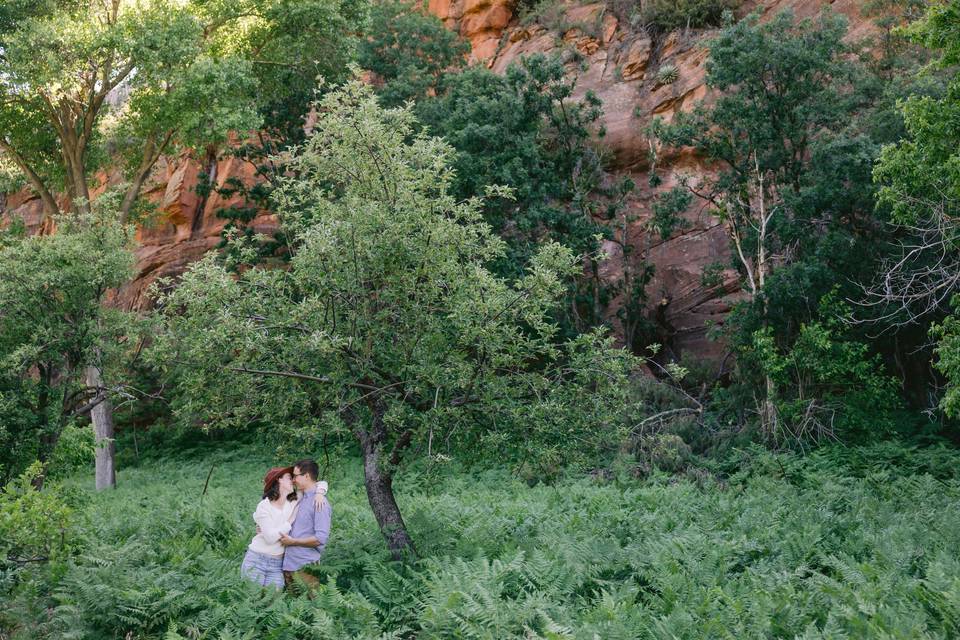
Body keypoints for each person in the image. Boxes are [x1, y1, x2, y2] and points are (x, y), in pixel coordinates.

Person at [240, 466, 328, 589]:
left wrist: (320, 493)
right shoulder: (264, 506)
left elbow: (316, 483)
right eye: (288, 478)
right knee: (252, 601)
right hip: (256, 559)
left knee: (274, 602)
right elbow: (270, 538)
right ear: (278, 480)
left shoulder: (294, 499)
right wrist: (289, 521)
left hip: (277, 564)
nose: (293, 480)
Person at [280, 459, 332, 588]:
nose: (293, 480)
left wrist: (293, 542)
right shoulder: (299, 496)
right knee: (291, 607)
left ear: (307, 476)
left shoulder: (320, 503)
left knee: (310, 606)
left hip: (305, 566)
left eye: (296, 476)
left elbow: (321, 538)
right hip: (287, 564)